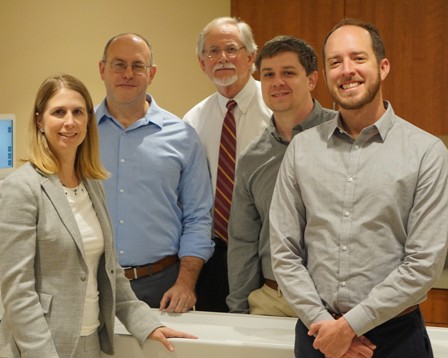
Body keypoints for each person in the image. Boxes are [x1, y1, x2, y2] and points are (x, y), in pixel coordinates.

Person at [270, 18, 448, 358]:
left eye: (358, 58)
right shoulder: (302, 149)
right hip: (315, 334)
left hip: (395, 339)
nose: (346, 70)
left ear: (383, 66)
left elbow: (423, 264)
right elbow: (284, 252)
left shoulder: (426, 153)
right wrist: (326, 328)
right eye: (335, 62)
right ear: (324, 74)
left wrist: (349, 328)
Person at [0, 74, 196, 358]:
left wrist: (146, 324)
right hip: (41, 346)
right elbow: (17, 292)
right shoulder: (21, 188)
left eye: (78, 112)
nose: (70, 122)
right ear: (39, 121)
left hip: (90, 340)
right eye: (59, 112)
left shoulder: (92, 186)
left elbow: (111, 272)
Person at [96, 33, 214, 313]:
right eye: (118, 64)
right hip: (93, 282)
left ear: (152, 73)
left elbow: (198, 217)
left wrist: (186, 283)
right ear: (102, 69)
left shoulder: (183, 136)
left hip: (162, 286)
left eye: (138, 66)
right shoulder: (81, 133)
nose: (128, 74)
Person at [227, 35, 335, 316]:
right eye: (269, 75)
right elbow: (243, 240)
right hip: (272, 300)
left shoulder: (344, 137)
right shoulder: (253, 158)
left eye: (289, 73)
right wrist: (238, 309)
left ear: (312, 80)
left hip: (335, 302)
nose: (277, 82)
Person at [184, 16, 271, 312]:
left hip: (267, 253)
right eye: (213, 51)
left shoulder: (278, 110)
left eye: (231, 49)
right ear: (201, 63)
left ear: (250, 56)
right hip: (214, 255)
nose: (223, 58)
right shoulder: (193, 121)